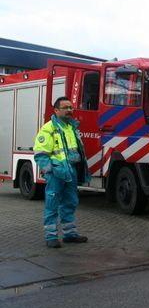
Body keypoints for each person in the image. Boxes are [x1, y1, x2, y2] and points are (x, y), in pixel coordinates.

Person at [33, 97, 90, 248]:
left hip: (70, 172)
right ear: (56, 110)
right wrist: (50, 171)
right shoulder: (49, 128)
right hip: (56, 173)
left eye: (71, 107)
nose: (69, 110)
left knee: (70, 203)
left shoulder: (71, 127)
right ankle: (51, 236)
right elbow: (40, 154)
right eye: (65, 107)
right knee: (52, 204)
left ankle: (69, 234)